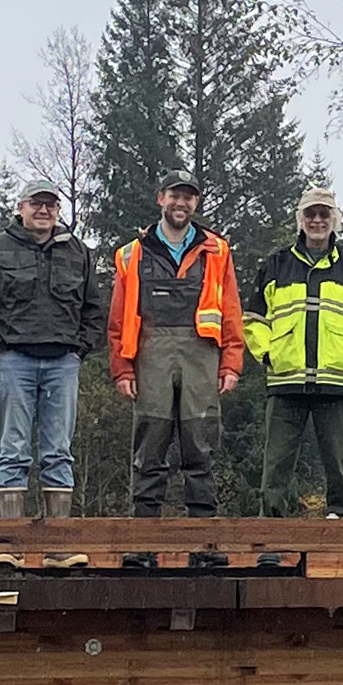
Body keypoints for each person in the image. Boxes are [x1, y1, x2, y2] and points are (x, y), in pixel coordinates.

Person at [245, 185, 343, 518]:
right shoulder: (276, 263)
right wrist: (269, 354)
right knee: (276, 466)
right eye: (311, 213)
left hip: (337, 382)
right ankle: (270, 537)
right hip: (285, 380)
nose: (317, 220)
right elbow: (253, 319)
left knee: (340, 465)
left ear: (335, 219)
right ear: (300, 219)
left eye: (324, 213)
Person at [108, 168, 243, 519]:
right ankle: (143, 543)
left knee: (200, 445)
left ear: (196, 202)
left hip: (202, 355)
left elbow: (230, 309)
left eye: (188, 196)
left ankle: (204, 542)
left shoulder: (217, 251)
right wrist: (122, 368)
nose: (181, 202)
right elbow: (119, 319)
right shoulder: (131, 254)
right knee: (150, 444)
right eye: (174, 195)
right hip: (151, 354)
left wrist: (231, 362)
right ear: (161, 199)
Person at [0, 179, 104, 519]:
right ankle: (11, 544)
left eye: (50, 204)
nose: (43, 210)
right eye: (36, 203)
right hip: (14, 360)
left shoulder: (78, 251)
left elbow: (94, 307)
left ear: (58, 210)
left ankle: (57, 546)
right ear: (21, 207)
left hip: (63, 363)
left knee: (58, 452)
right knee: (13, 450)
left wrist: (80, 349)